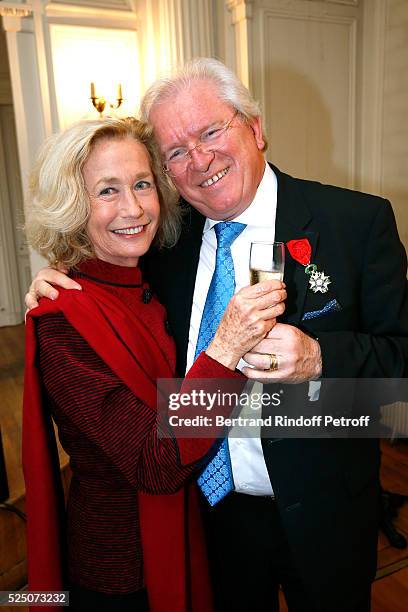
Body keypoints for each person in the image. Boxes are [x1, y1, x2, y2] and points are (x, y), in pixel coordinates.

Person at [25, 59, 408, 612]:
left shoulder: (356, 223)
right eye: (175, 151)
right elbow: (107, 285)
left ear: (254, 128)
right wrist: (57, 274)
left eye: (210, 131)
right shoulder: (161, 244)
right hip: (204, 520)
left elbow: (399, 392)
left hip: (325, 517)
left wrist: (323, 359)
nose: (198, 159)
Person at [23, 116, 286, 612]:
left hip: (195, 530)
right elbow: (155, 464)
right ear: (73, 206)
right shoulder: (62, 319)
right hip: (123, 568)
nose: (134, 208)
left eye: (143, 183)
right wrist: (225, 350)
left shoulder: (152, 272)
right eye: (107, 191)